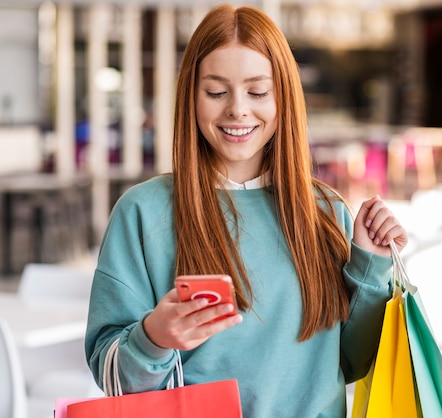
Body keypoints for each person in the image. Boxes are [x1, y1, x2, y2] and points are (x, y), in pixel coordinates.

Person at [84, 4, 408, 417]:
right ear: (191, 97)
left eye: (257, 91)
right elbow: (111, 378)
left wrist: (371, 264)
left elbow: (351, 364)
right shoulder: (143, 212)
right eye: (216, 91)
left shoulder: (327, 212)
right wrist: (154, 337)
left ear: (283, 98)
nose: (237, 109)